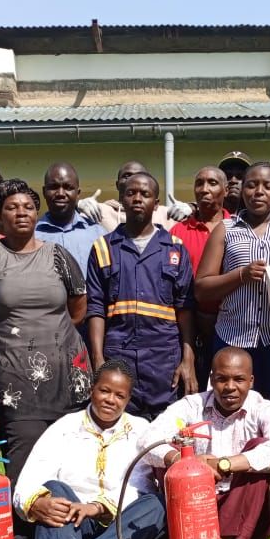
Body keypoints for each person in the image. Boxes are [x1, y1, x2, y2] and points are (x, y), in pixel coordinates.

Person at [0, 178, 91, 491]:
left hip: (68, 379)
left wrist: (49, 339)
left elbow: (77, 311)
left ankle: (71, 518)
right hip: (14, 385)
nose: (21, 213)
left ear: (36, 213)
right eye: (12, 207)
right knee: (24, 462)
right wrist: (6, 342)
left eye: (28, 207)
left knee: (71, 464)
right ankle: (23, 521)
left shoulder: (58, 256)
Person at [14, 360, 166, 539]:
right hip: (71, 523)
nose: (110, 400)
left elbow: (141, 485)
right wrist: (37, 504)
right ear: (91, 389)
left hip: (119, 522)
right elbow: (29, 479)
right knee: (54, 489)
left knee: (156, 504)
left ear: (128, 399)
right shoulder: (64, 427)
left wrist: (97, 507)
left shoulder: (141, 429)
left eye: (119, 395)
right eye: (104, 391)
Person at [142, 347, 270, 539]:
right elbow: (146, 441)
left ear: (251, 381)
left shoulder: (264, 408)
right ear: (211, 380)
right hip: (197, 501)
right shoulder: (191, 405)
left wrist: (224, 464)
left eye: (239, 379)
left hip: (244, 506)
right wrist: (187, 461)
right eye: (222, 379)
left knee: (259, 451)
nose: (230, 387)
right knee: (167, 452)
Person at [194, 161, 270, 404]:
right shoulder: (225, 230)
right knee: (229, 407)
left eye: (267, 186)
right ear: (241, 189)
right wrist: (241, 275)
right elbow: (201, 289)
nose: (259, 192)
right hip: (232, 338)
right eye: (251, 185)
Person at [86, 172, 197, 417]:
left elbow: (186, 308)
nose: (137, 198)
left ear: (156, 204)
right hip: (118, 357)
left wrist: (188, 360)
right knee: (119, 428)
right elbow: (95, 307)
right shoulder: (103, 248)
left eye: (145, 194)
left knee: (167, 430)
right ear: (122, 199)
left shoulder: (175, 248)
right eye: (131, 193)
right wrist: (98, 360)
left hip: (164, 360)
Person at [171, 166, 230, 388]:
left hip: (230, 328)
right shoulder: (177, 232)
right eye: (199, 183)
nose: (204, 189)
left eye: (212, 183)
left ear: (225, 190)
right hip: (188, 331)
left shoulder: (238, 229)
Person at [36, 162, 106, 274]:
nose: (60, 193)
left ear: (78, 193)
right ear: (44, 192)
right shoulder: (31, 236)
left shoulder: (98, 234)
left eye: (68, 187)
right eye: (54, 187)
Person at [91, 161, 180, 232]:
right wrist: (82, 206)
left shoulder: (166, 214)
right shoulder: (99, 211)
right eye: (127, 176)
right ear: (117, 185)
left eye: (139, 175)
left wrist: (188, 210)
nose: (133, 179)